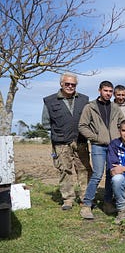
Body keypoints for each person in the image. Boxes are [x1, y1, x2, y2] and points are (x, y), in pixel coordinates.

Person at [42, 73, 92, 210]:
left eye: (73, 84)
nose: (70, 86)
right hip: (61, 142)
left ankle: (85, 198)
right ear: (61, 84)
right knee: (65, 170)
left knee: (84, 169)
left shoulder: (84, 99)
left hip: (80, 141)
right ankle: (68, 199)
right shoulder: (49, 100)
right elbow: (46, 123)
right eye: (67, 84)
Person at [79, 80, 124, 219]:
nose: (108, 94)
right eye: (106, 91)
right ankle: (87, 205)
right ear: (99, 91)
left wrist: (118, 138)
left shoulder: (115, 107)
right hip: (98, 145)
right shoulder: (90, 107)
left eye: (111, 91)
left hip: (113, 147)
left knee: (111, 175)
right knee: (97, 174)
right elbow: (82, 126)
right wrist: (95, 138)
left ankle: (108, 202)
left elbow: (121, 124)